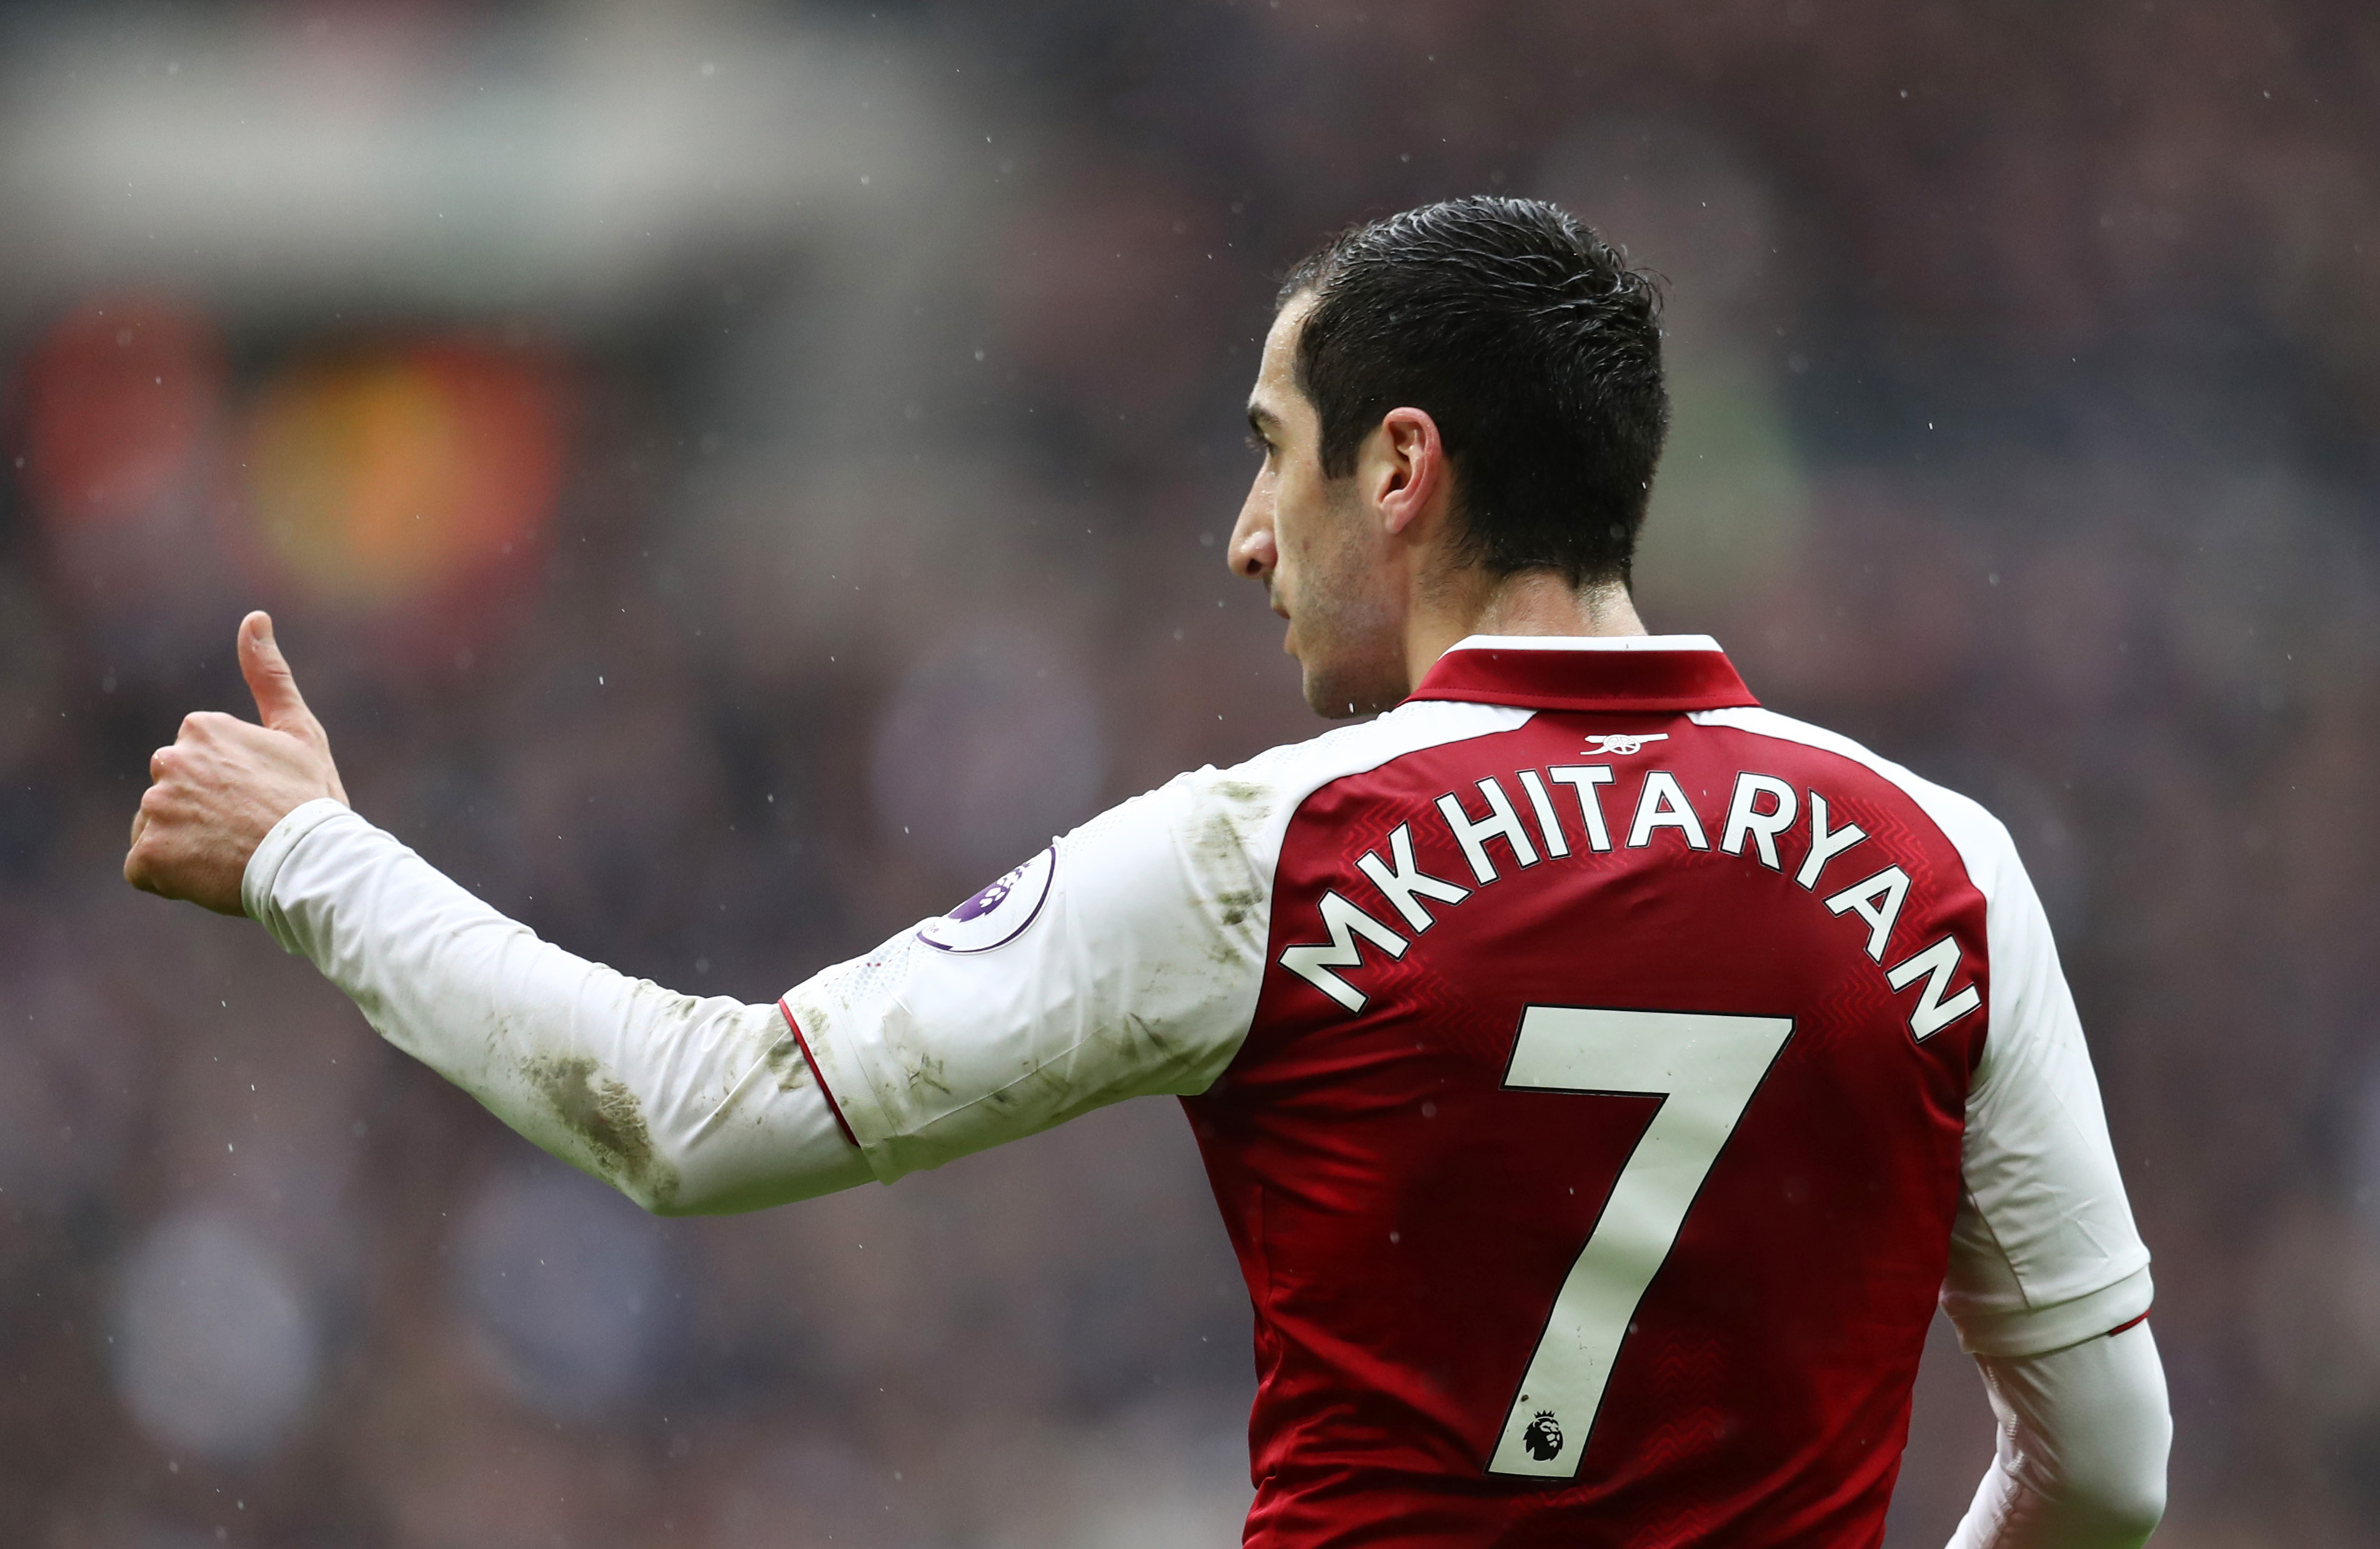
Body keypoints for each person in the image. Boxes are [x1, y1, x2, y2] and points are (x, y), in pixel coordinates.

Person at [124, 196, 2169, 1547]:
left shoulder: (1269, 856)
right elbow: (2106, 1469)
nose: (1244, 536)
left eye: (1271, 450)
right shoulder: (1945, 866)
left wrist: (313, 857)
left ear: (1401, 467)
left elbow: (696, 1113)